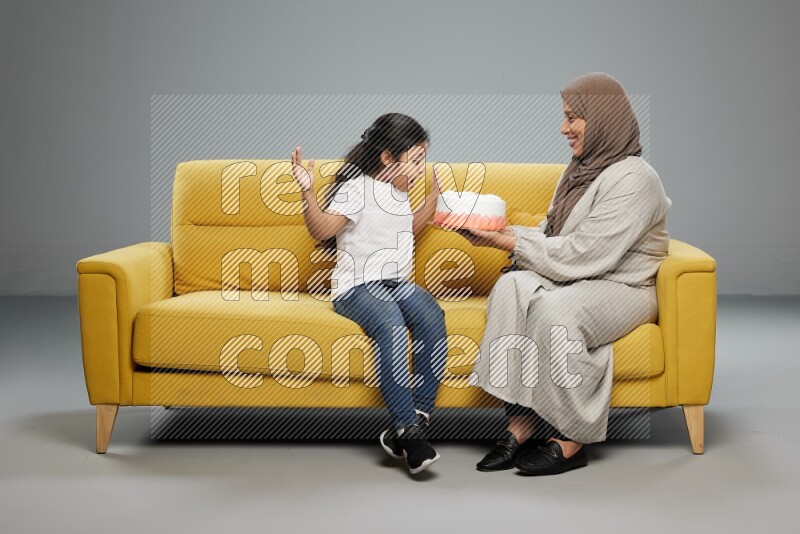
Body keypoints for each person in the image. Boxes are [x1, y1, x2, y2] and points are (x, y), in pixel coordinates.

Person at [446, 73, 672, 476]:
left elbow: (590, 252)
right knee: (511, 286)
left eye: (573, 117)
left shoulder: (637, 179)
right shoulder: (579, 171)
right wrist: (499, 234)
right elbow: (555, 235)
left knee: (555, 313)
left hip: (621, 285)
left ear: (602, 118)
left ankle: (572, 437)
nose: (563, 128)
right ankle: (521, 422)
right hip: (580, 275)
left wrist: (509, 244)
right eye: (565, 117)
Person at [290, 113, 449, 475]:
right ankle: (407, 432)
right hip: (357, 287)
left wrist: (434, 197)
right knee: (391, 324)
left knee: (431, 314)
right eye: (415, 160)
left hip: (395, 283)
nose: (419, 168)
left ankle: (419, 417)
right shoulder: (355, 189)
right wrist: (307, 191)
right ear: (388, 159)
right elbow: (321, 230)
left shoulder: (397, 191)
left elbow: (407, 227)